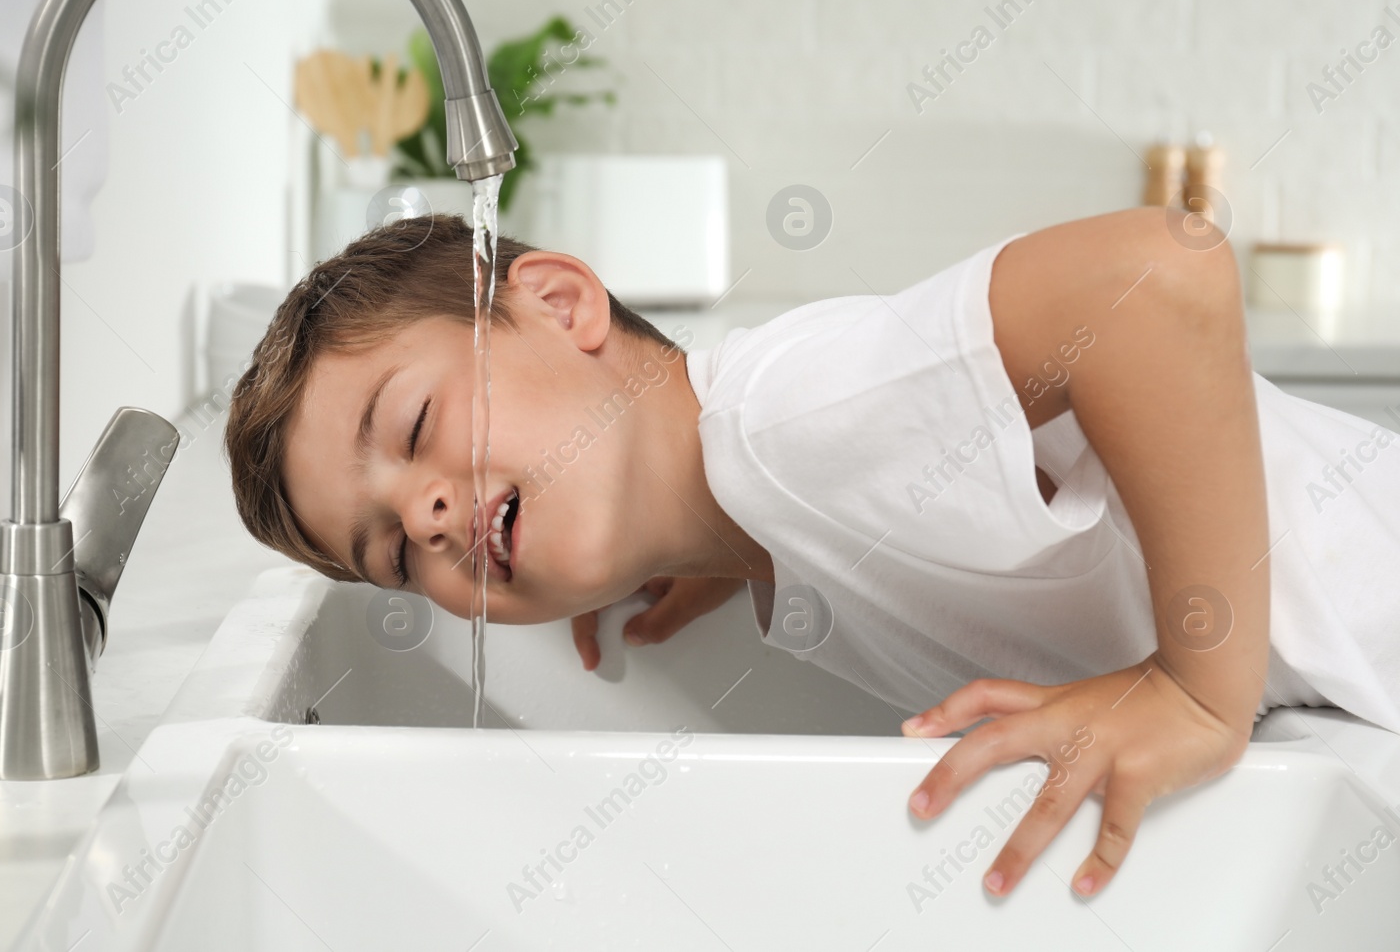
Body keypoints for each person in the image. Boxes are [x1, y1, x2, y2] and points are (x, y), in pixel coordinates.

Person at [224, 207, 1400, 900]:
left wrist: (1201, 685)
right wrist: (722, 547)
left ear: (559, 301)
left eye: (416, 429)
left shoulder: (788, 424)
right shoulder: (759, 471)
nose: (425, 517)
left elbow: (1160, 268)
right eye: (389, 553)